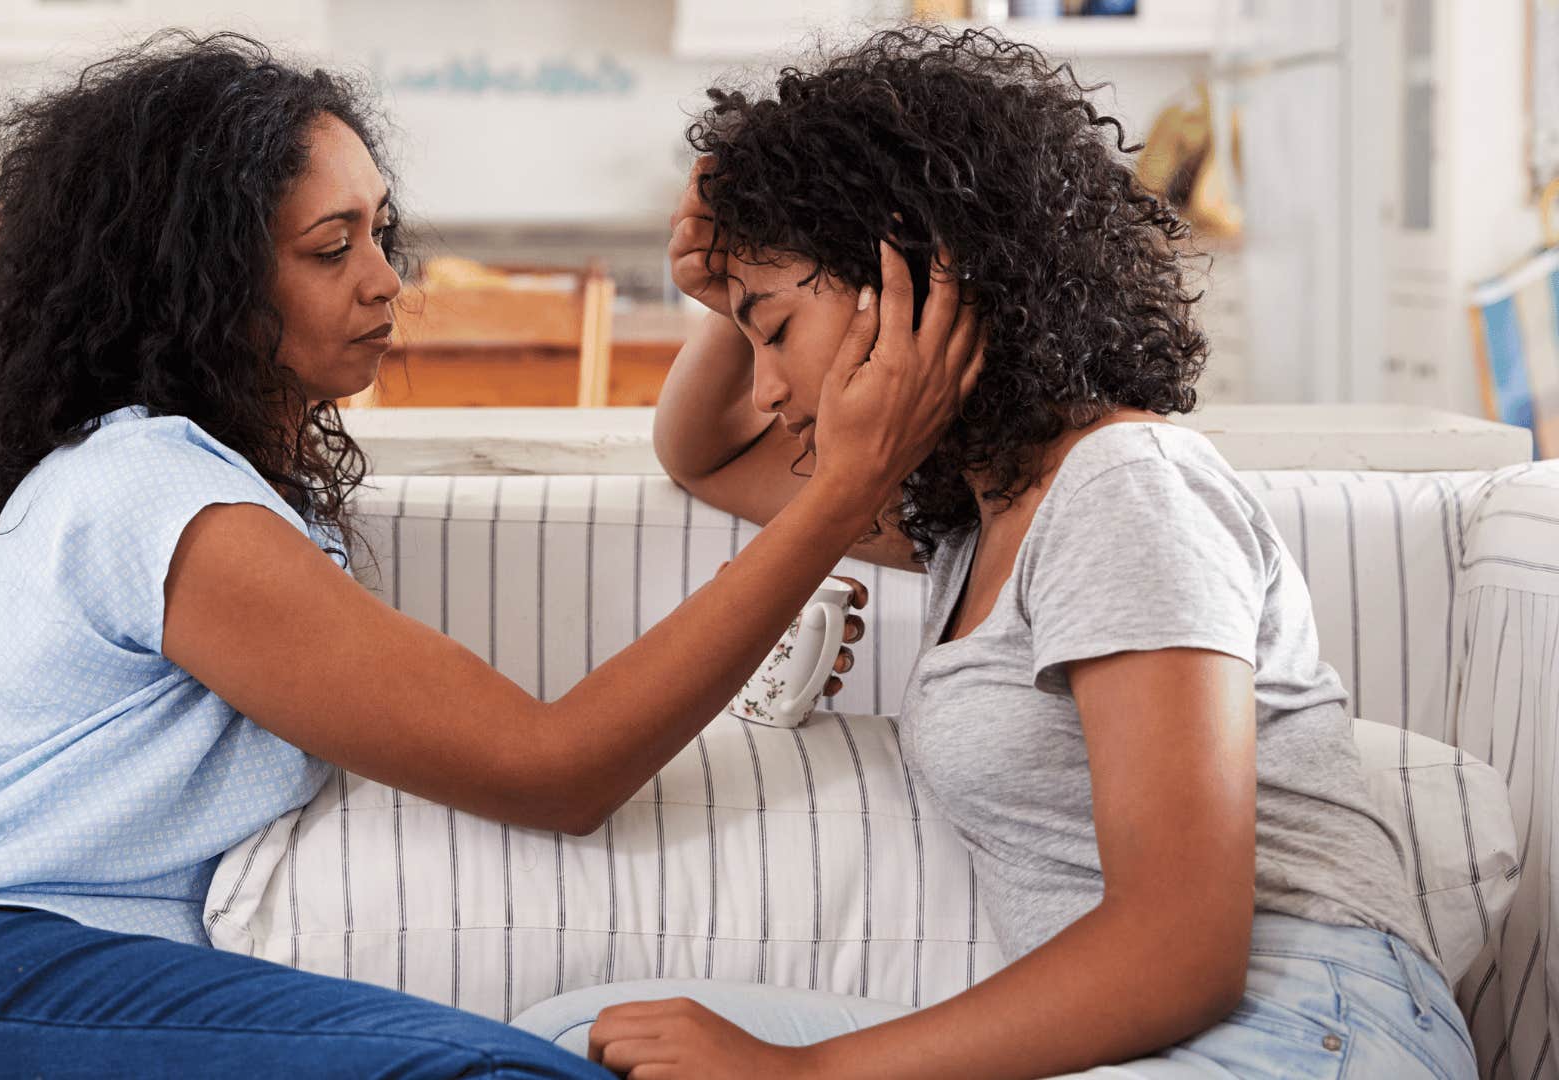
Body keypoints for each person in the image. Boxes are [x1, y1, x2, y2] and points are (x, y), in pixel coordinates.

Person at [0, 31, 980, 1079]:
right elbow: (554, 769)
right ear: (195, 282)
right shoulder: (154, 496)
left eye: (382, 232)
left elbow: (695, 457)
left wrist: (722, 313)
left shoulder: (226, 492)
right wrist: (842, 493)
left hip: (11, 986)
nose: (385, 282)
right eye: (331, 249)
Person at [514, 25, 1479, 1080]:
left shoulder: (1125, 488)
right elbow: (701, 455)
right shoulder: (974, 522)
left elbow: (1182, 952)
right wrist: (736, 297)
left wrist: (805, 1073)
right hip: (1178, 1035)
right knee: (585, 1042)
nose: (768, 391)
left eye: (778, 333)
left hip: (1304, 1027)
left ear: (919, 279)